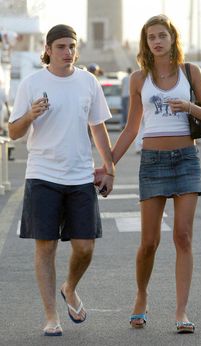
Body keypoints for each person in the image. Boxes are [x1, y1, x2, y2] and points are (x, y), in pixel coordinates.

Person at [95, 15, 201, 333]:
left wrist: (189, 108)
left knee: (183, 236)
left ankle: (181, 312)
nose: (157, 41)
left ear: (172, 38)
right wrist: (109, 165)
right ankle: (141, 296)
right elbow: (131, 127)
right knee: (148, 242)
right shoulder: (139, 78)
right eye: (151, 37)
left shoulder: (190, 72)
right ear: (146, 43)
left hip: (186, 160)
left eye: (162, 35)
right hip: (152, 161)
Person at [8, 24, 115, 337]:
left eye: (71, 46)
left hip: (80, 175)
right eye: (61, 47)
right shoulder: (32, 83)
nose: (67, 52)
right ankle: (51, 316)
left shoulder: (88, 82)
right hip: (42, 174)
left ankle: (70, 287)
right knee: (46, 248)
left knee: (85, 247)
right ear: (49, 49)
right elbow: (14, 132)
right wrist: (30, 115)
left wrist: (109, 167)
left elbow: (98, 127)